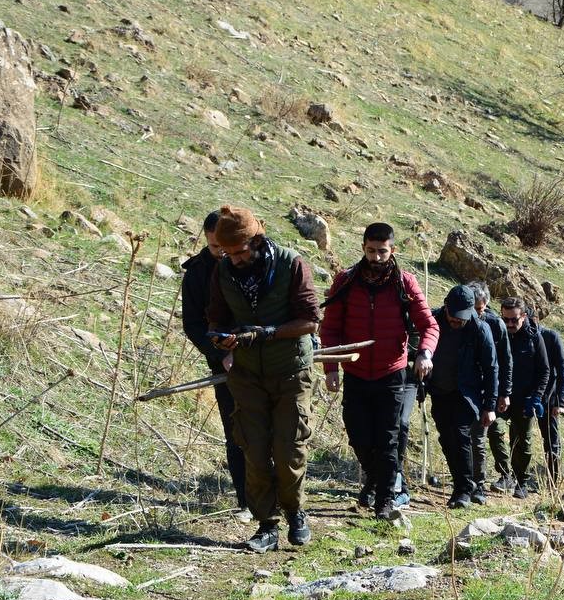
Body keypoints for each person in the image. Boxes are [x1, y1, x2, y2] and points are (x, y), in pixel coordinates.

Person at [205, 205, 321, 553]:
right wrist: (221, 339)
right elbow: (216, 320)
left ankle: (296, 512)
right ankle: (267, 525)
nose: (235, 260)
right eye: (228, 253)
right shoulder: (223, 272)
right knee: (254, 451)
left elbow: (310, 321)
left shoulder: (291, 263)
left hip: (291, 371)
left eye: (240, 252)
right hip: (247, 374)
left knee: (288, 449)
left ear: (257, 240)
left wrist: (268, 333)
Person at [319, 223, 438, 517]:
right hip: (355, 373)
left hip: (392, 373)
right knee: (359, 436)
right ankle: (375, 479)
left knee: (387, 439)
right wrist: (331, 368)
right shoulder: (345, 282)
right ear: (363, 248)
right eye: (371, 251)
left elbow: (428, 325)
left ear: (392, 250)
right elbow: (330, 328)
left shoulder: (405, 284)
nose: (376, 257)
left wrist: (425, 353)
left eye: (382, 251)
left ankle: (385, 501)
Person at [180, 209, 247, 518]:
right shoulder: (197, 274)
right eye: (214, 247)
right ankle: (247, 500)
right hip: (225, 365)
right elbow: (193, 324)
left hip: (266, 357)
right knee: (237, 433)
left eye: (225, 245)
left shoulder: (253, 260)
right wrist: (221, 354)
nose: (222, 253)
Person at [426, 285, 497, 508]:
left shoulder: (480, 329)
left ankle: (464, 488)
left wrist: (490, 405)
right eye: (453, 317)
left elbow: (491, 368)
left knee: (461, 436)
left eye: (462, 318)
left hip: (467, 393)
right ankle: (462, 484)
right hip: (439, 390)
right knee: (446, 439)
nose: (457, 322)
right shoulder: (433, 321)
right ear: (446, 306)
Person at [498, 297, 550, 499]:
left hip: (525, 398)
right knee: (495, 431)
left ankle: (522, 480)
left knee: (523, 441)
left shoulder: (534, 337)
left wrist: (536, 397)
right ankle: (504, 474)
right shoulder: (499, 334)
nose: (510, 324)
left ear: (524, 316)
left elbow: (544, 371)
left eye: (514, 320)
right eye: (506, 320)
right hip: (501, 395)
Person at [468, 282, 513, 500]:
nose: (478, 314)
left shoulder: (496, 324)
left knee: (480, 436)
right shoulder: (458, 319)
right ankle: (466, 479)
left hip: (488, 388)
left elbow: (505, 361)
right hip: (463, 386)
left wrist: (504, 392)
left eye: (481, 310)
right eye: (474, 309)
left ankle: (479, 484)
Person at [536, 316, 564, 485]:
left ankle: (553, 480)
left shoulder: (551, 336)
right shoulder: (516, 335)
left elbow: (563, 371)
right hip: (525, 395)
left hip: (549, 397)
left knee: (551, 441)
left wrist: (560, 402)